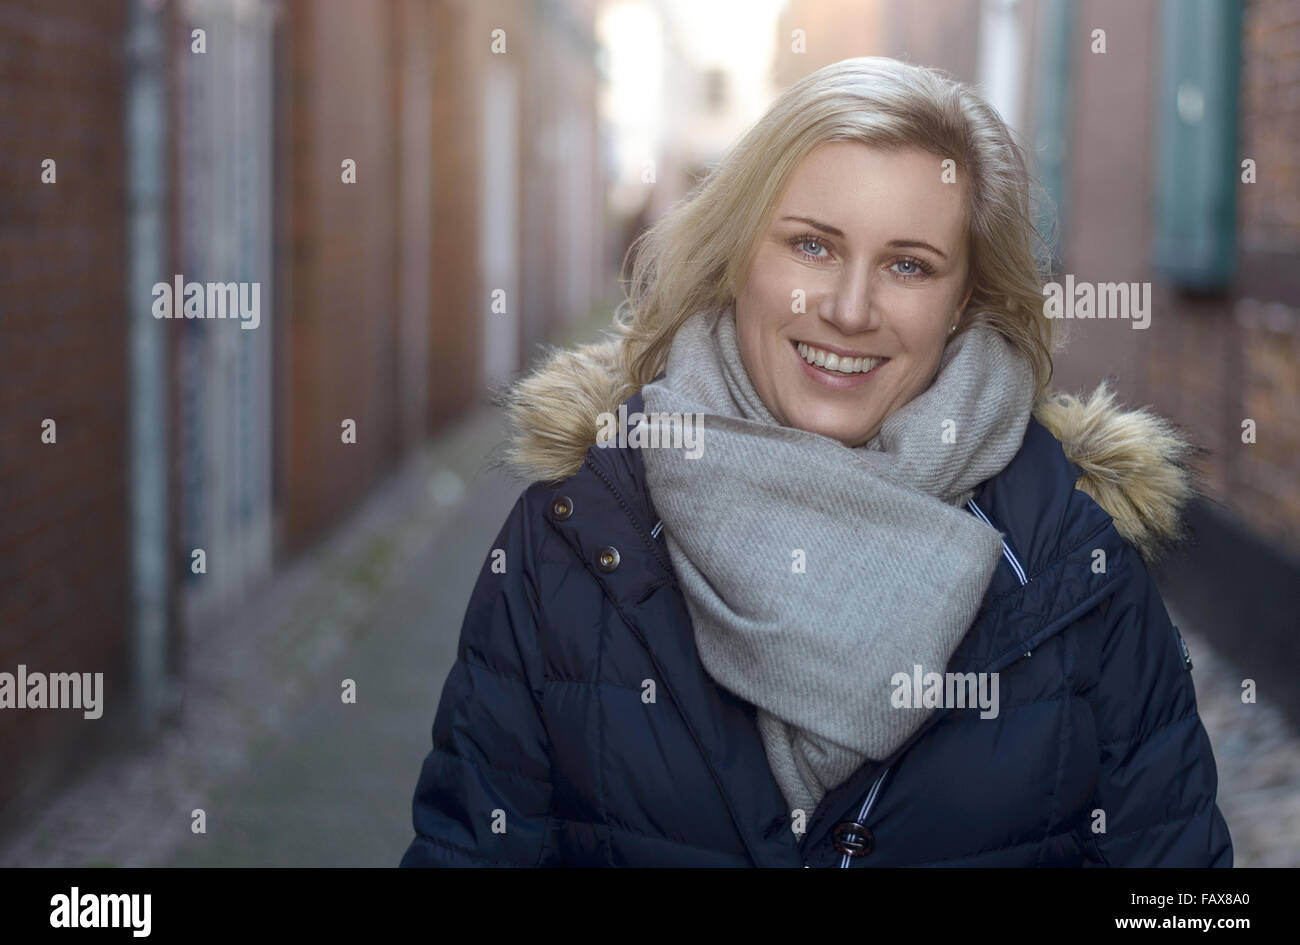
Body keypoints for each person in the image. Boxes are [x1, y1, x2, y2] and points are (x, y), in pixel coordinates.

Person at [399, 56, 1232, 867]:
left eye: (909, 265)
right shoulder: (574, 533)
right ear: (738, 254)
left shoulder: (1075, 566)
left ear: (964, 301)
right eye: (812, 246)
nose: (847, 308)